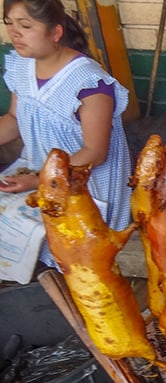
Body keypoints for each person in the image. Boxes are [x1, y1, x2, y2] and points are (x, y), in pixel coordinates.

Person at [0, 0, 132, 281]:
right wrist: (35, 177)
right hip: (36, 168)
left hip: (86, 184)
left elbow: (95, 153)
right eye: (9, 23)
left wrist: (39, 180)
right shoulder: (23, 67)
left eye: (25, 25)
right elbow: (13, 120)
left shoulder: (89, 83)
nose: (14, 33)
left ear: (56, 32)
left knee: (26, 223)